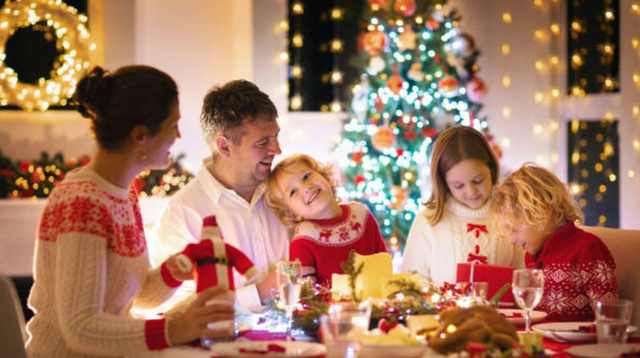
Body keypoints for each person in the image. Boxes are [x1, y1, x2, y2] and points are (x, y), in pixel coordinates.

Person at [25, 66, 235, 358]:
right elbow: (81, 328)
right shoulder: (82, 202)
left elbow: (135, 298)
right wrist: (174, 329)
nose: (177, 136)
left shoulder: (125, 194)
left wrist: (181, 265)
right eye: (172, 124)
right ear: (140, 136)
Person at [151, 80, 289, 308]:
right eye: (263, 142)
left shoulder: (287, 193)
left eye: (276, 136)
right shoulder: (182, 214)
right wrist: (258, 294)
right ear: (224, 146)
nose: (277, 150)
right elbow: (175, 309)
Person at [491, 163, 618, 321]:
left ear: (542, 212)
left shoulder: (588, 248)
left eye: (514, 230)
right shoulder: (531, 257)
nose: (511, 240)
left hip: (577, 344)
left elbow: (608, 317)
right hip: (541, 342)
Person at [401, 126, 520, 285]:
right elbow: (411, 283)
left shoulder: (512, 213)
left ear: (491, 169)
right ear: (444, 183)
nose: (471, 192)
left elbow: (524, 276)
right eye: (458, 185)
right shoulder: (429, 220)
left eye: (478, 181)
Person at [264, 154, 388, 285]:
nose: (305, 187)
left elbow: (383, 260)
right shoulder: (304, 240)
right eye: (293, 192)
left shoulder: (361, 214)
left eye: (306, 176)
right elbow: (306, 295)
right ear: (292, 213)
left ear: (324, 177)